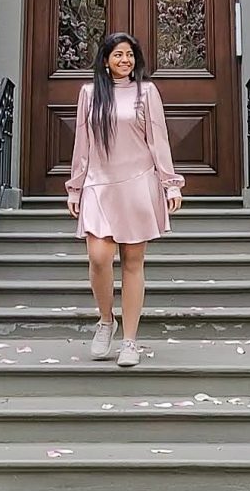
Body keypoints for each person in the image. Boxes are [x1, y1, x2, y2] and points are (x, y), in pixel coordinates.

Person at [66, 32, 184, 368]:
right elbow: (82, 144)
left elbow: (158, 140)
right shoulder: (89, 94)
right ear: (105, 60)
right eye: (118, 55)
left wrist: (170, 183)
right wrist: (75, 187)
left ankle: (130, 341)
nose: (125, 61)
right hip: (99, 185)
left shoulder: (146, 92)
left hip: (137, 183)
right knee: (99, 256)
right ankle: (106, 320)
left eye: (130, 55)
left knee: (133, 262)